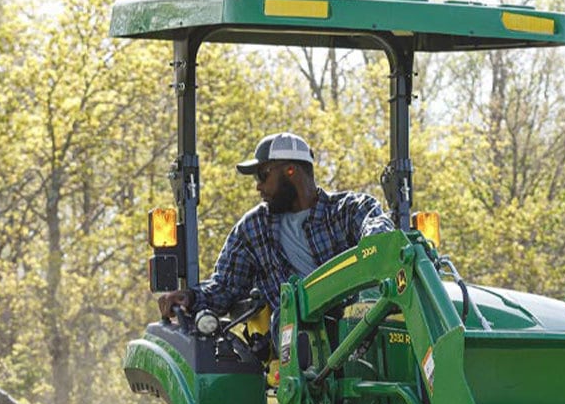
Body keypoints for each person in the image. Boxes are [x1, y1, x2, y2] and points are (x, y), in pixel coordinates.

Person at [157, 132, 395, 320]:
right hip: (296, 342)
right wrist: (189, 297)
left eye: (263, 175)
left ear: (290, 170)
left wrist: (373, 245)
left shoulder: (348, 209)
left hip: (358, 325)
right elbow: (225, 287)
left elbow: (378, 229)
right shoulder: (254, 228)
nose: (258, 187)